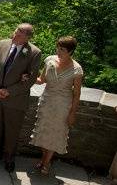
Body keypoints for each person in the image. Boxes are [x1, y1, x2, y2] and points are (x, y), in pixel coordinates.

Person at [0, 23, 41, 172]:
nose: (15, 35)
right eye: (16, 31)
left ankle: (9, 158)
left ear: (27, 38)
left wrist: (9, 91)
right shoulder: (2, 44)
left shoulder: (34, 53)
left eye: (19, 34)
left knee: (12, 130)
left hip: (16, 99)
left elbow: (30, 79)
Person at [30, 36, 83, 175]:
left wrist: (72, 113)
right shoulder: (49, 60)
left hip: (63, 106)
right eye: (58, 48)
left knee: (56, 134)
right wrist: (27, 77)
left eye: (62, 49)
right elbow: (41, 80)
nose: (58, 51)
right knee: (42, 132)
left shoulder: (77, 70)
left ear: (71, 51)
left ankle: (46, 163)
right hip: (47, 102)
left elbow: (77, 94)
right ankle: (44, 159)